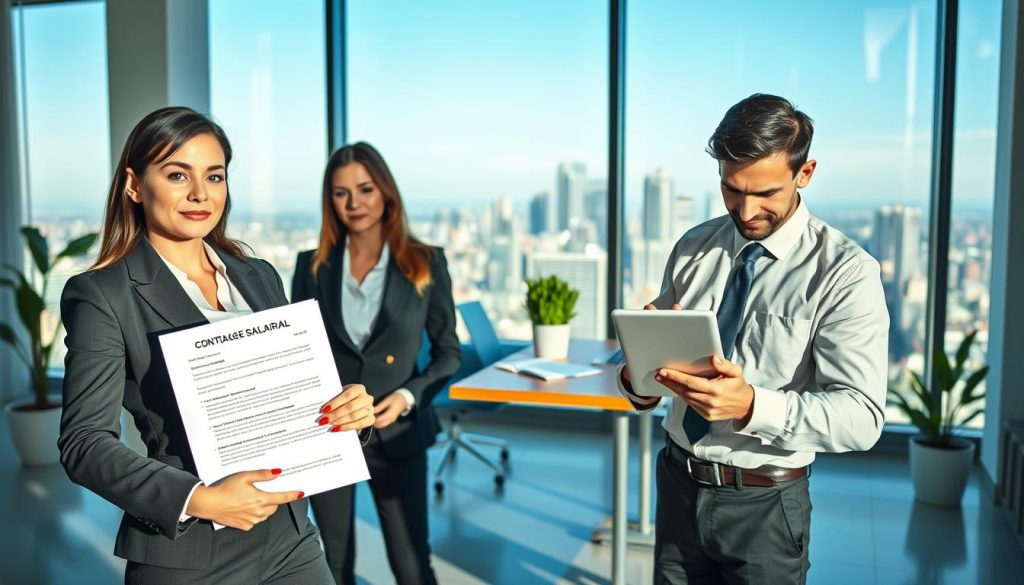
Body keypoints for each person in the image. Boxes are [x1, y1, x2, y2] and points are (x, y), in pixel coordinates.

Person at [58, 107, 376, 585]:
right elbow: (84, 443)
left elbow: (289, 396)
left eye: (214, 176)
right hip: (190, 554)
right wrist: (200, 499)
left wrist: (348, 413)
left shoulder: (258, 275)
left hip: (290, 536)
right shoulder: (104, 294)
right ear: (135, 186)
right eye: (177, 175)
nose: (200, 194)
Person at [619, 94, 888, 584]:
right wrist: (638, 375)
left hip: (766, 504)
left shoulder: (845, 273)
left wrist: (750, 406)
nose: (746, 210)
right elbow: (650, 375)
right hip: (678, 483)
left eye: (765, 192)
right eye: (731, 189)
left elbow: (862, 417)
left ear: (805, 173)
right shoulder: (694, 247)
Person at [292, 142, 461, 585]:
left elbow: (448, 353)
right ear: (329, 200)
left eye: (365, 189)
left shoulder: (425, 262)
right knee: (333, 565)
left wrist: (407, 396)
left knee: (411, 566)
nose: (354, 203)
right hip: (330, 430)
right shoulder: (311, 266)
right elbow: (297, 353)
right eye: (341, 193)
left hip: (397, 431)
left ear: (386, 193)